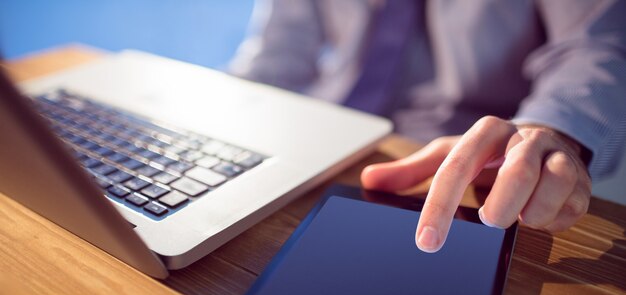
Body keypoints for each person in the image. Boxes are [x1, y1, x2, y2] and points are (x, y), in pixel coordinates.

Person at [229, 0, 626, 252]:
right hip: (325, 136)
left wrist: (549, 131)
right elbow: (276, 54)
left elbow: (596, 44)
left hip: (466, 165)